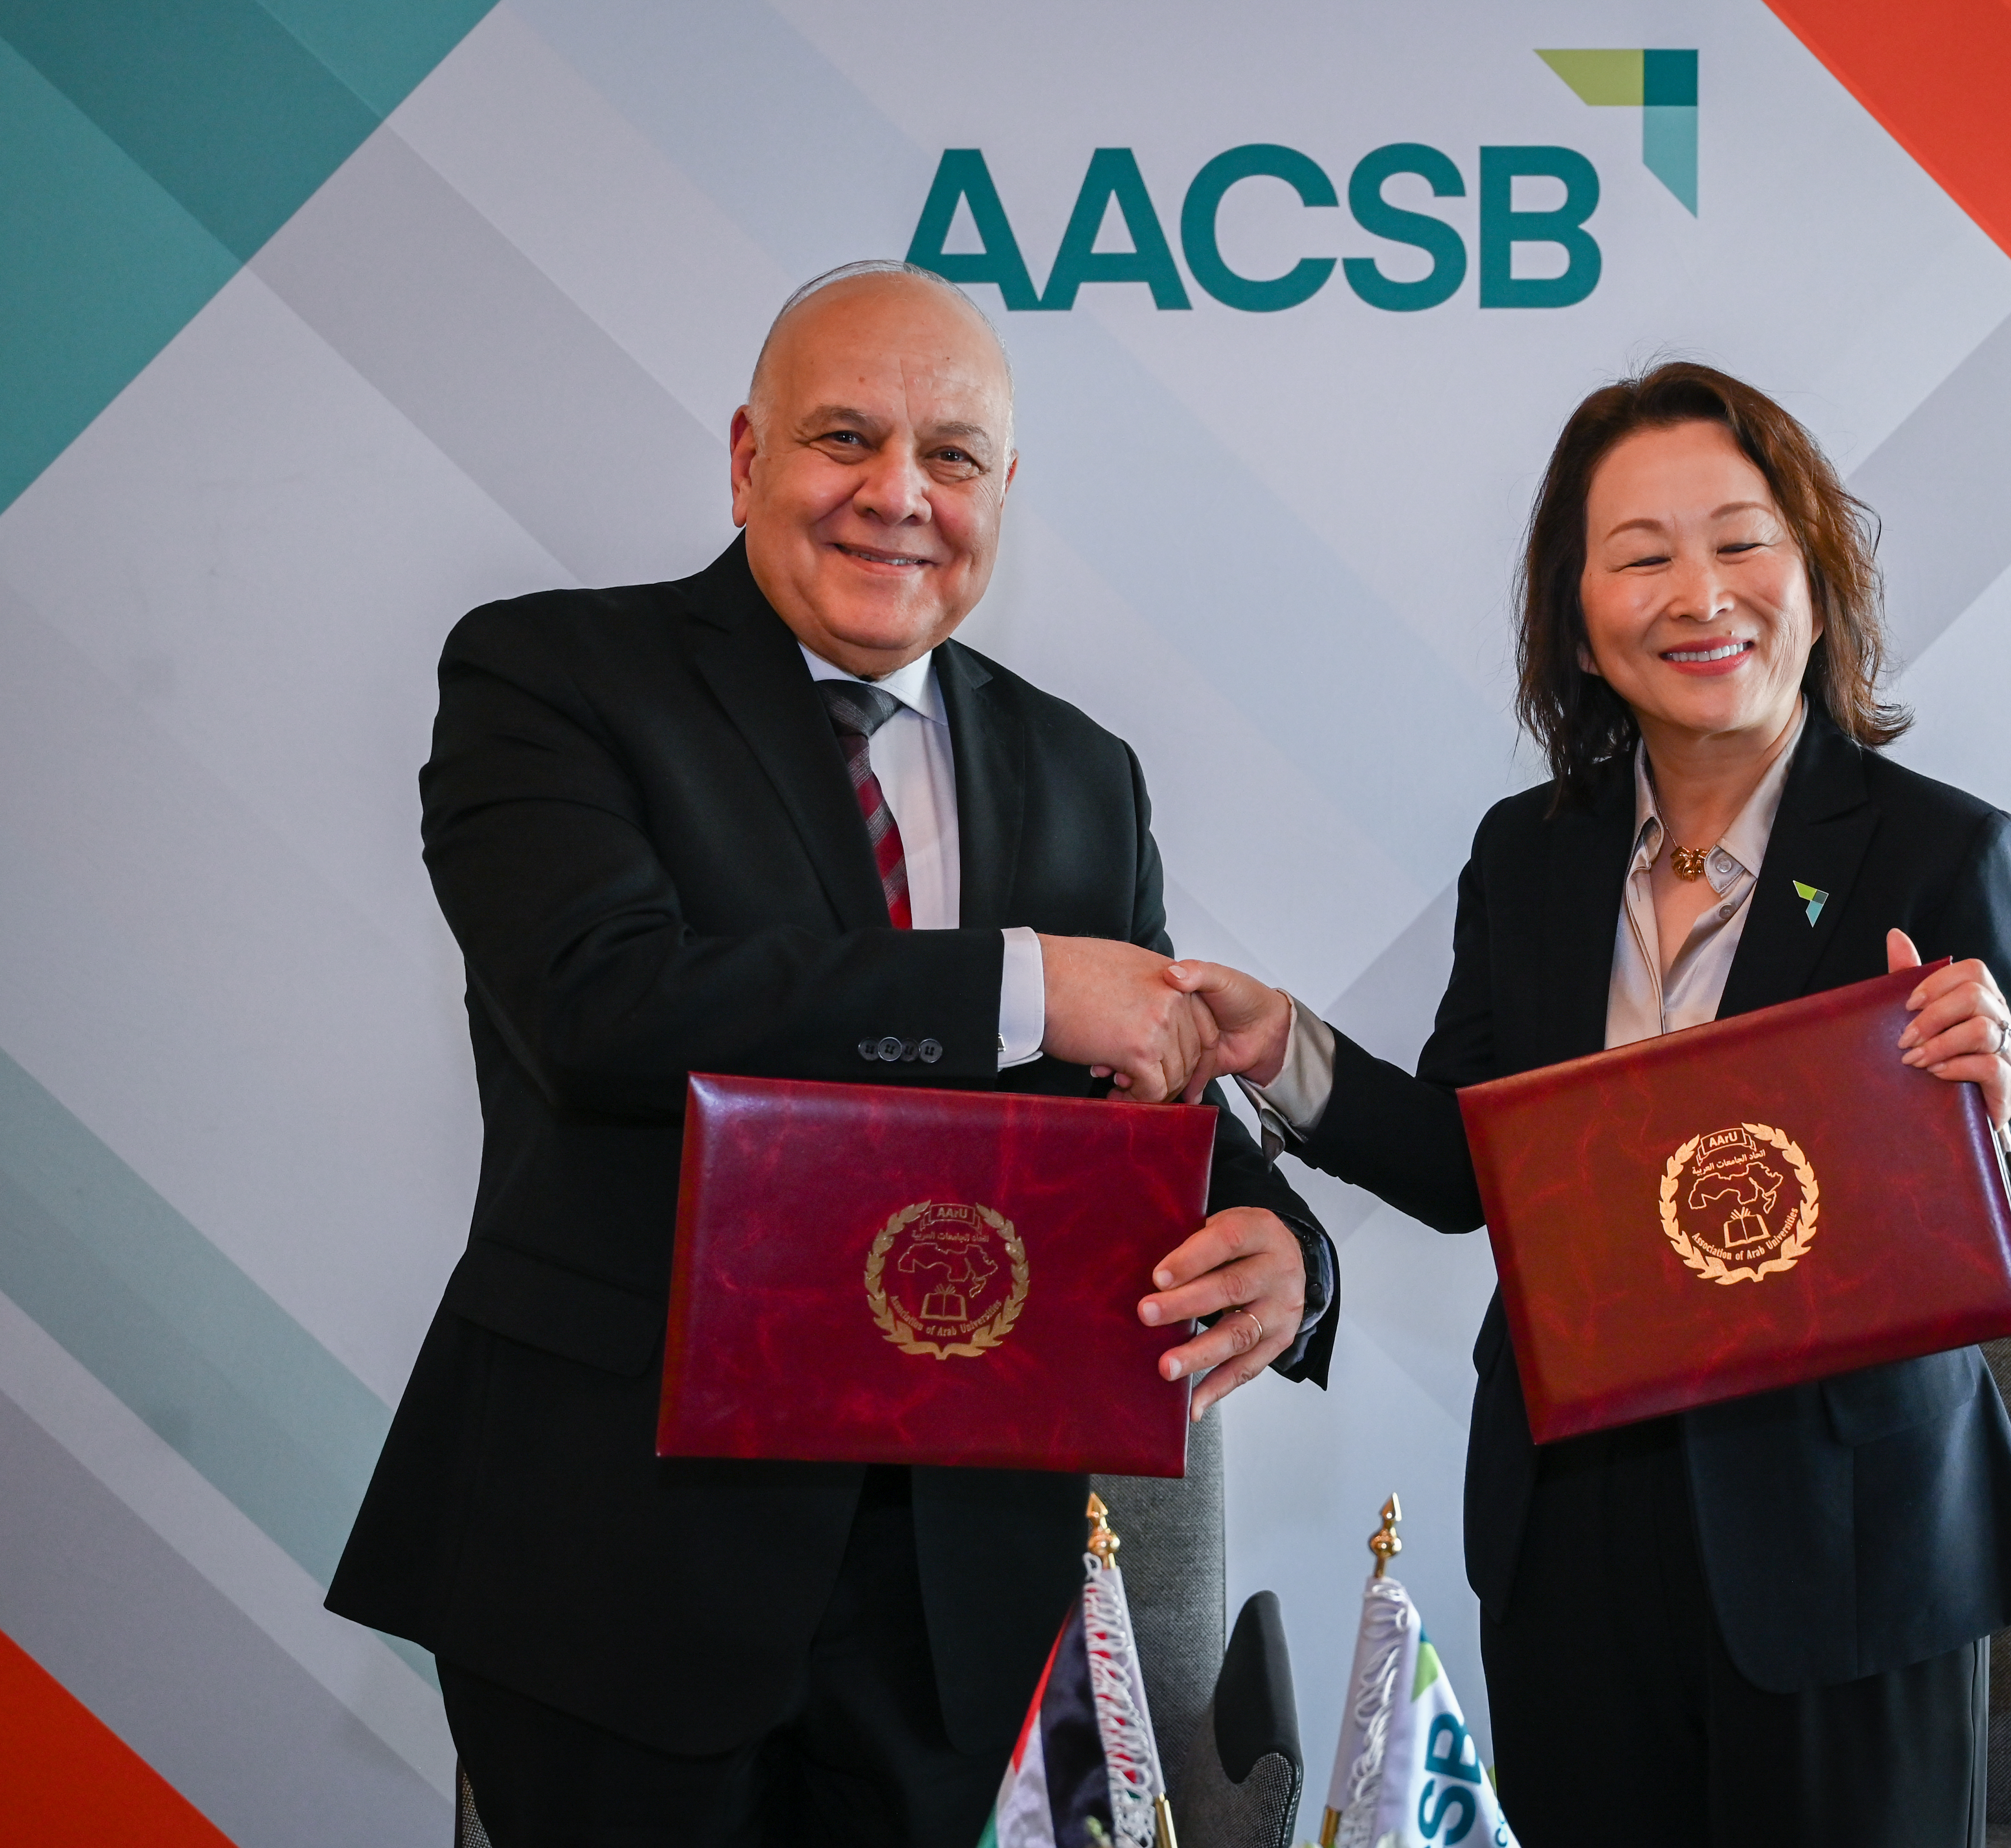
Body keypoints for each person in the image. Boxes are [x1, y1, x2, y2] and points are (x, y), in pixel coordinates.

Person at [327, 261, 1335, 1848]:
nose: (895, 496)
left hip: (960, 1602)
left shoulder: (1085, 770)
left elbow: (1145, 1102)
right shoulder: (550, 679)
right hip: (621, 1563)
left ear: (1005, 490)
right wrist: (1017, 989)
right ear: (745, 459)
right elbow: (608, 1010)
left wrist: (1290, 1245)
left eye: (950, 456)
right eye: (842, 438)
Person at [1171, 363, 2011, 1845]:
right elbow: (1478, 1162)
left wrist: (1988, 1113)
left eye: (1741, 540)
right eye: (1642, 556)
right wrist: (1284, 1050)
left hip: (1843, 1538)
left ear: (1818, 575)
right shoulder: (1533, 854)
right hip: (1576, 1521)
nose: (1699, 593)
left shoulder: (1940, 850)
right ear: (1578, 620)